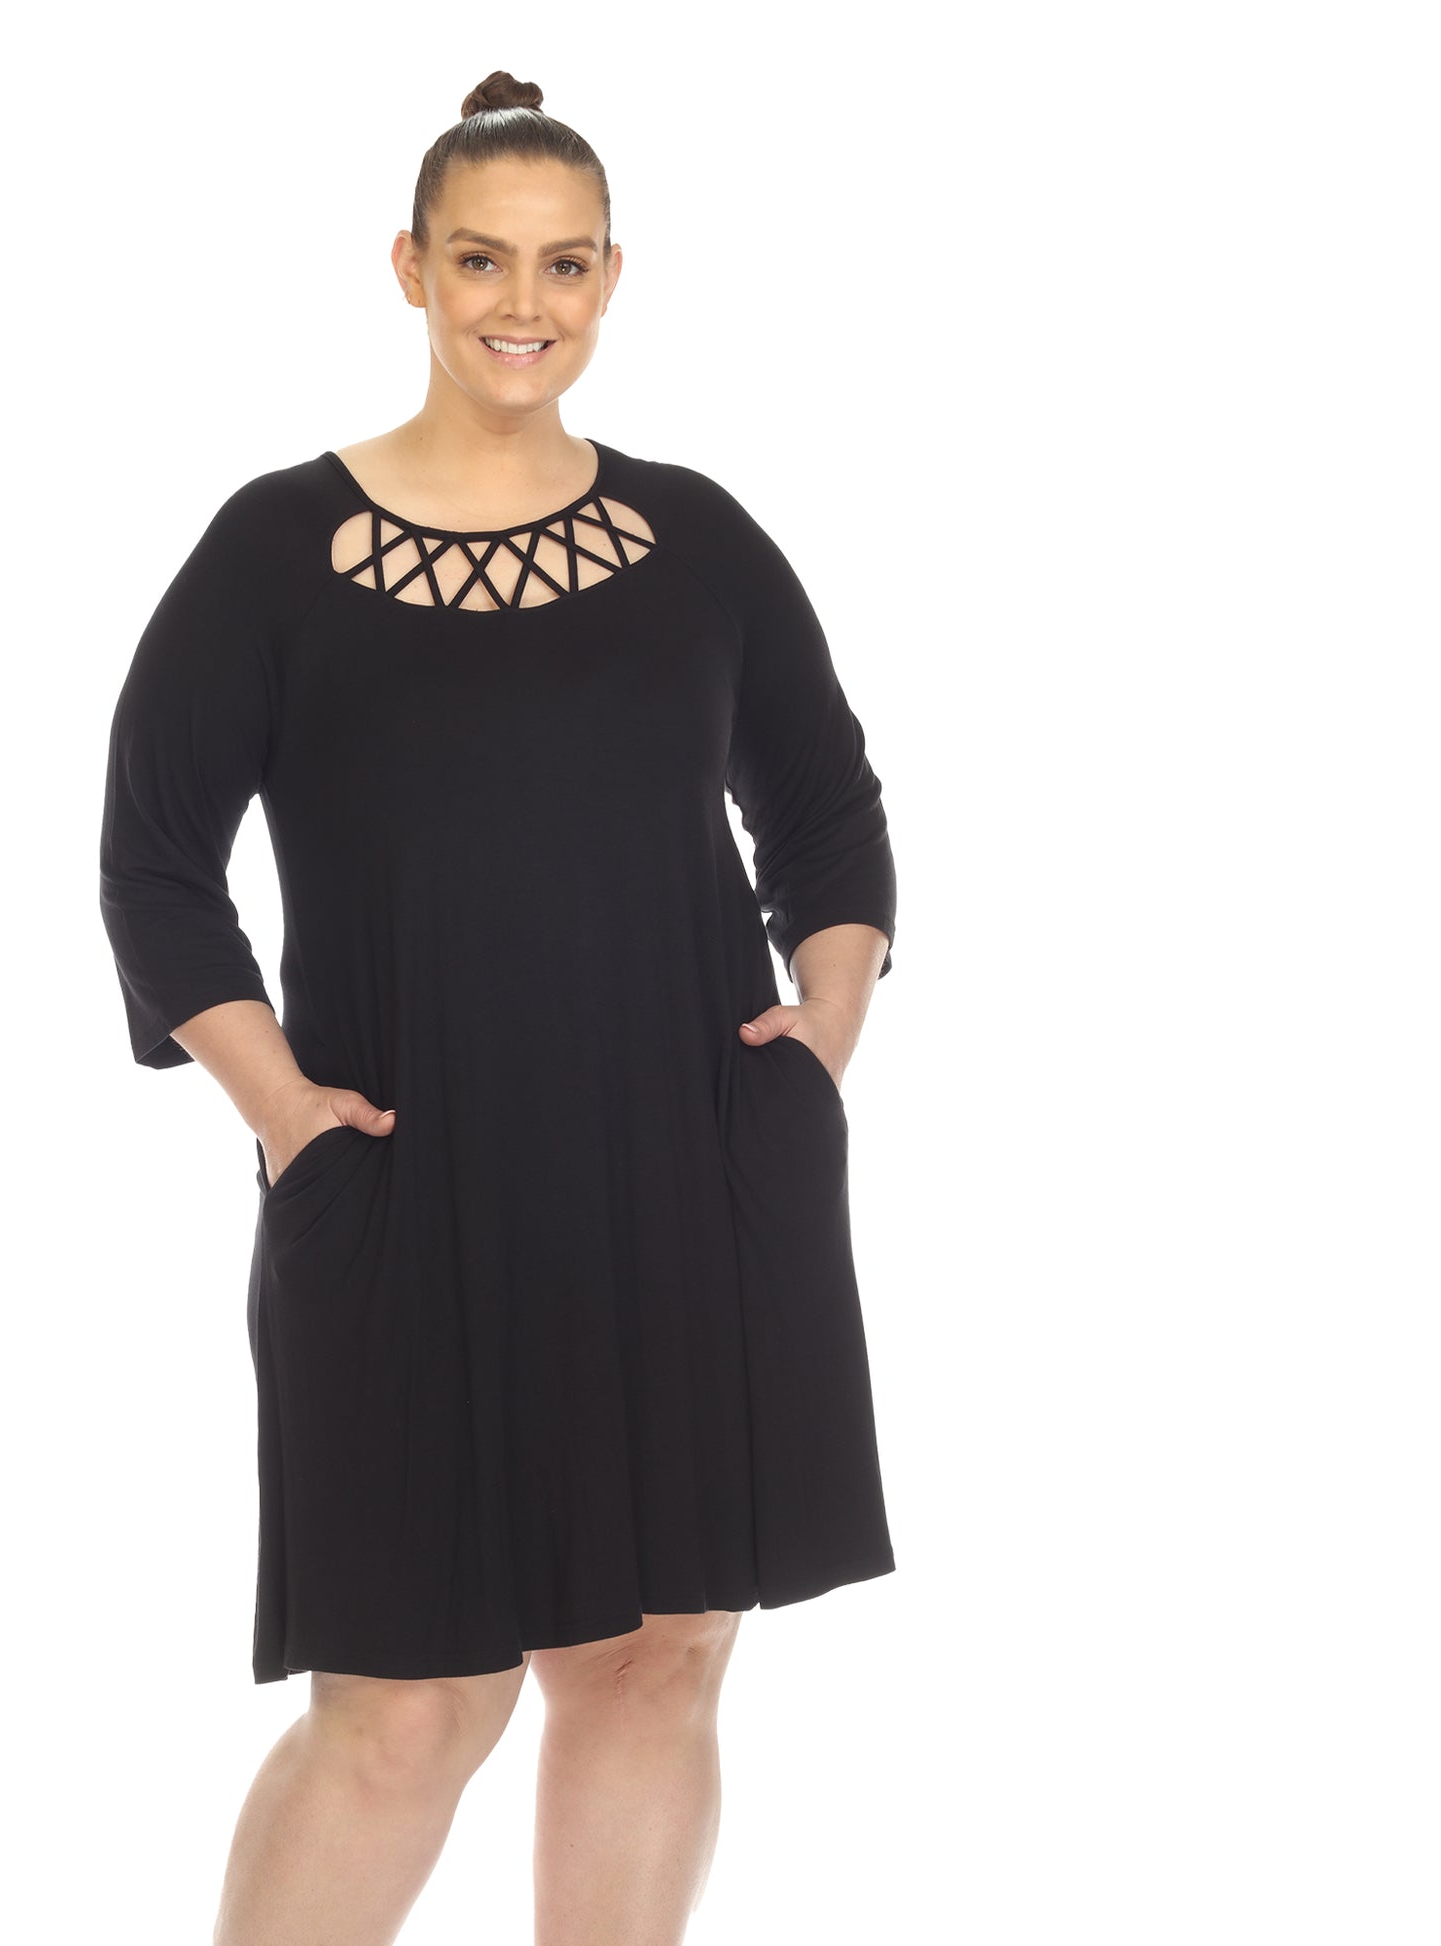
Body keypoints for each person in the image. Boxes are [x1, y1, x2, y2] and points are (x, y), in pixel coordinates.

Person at [98, 69, 900, 1946]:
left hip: (688, 1181)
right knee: (404, 1705)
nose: (520, 301)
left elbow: (827, 809)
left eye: (560, 263)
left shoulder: (697, 538)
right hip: (407, 1190)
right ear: (410, 268)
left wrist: (823, 1032)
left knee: (654, 1657)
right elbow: (151, 863)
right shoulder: (275, 548)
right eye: (479, 260)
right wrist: (283, 1112)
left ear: (611, 277)